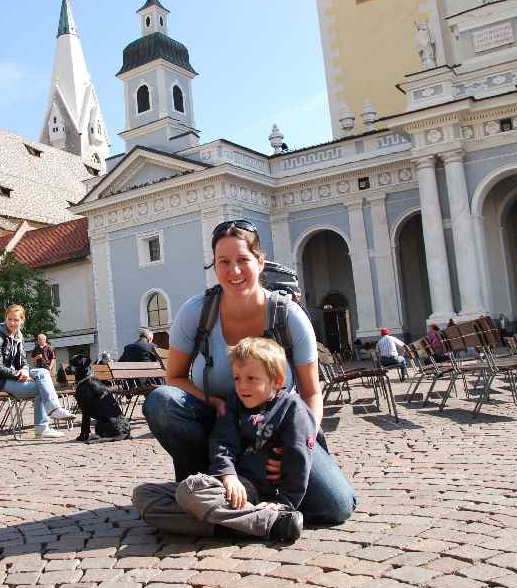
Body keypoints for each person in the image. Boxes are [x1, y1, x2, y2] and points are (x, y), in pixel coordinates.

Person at [142, 220, 355, 525]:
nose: (234, 271)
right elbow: (174, 377)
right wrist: (212, 401)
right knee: (161, 402)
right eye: (223, 262)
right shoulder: (196, 313)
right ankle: (204, 480)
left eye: (243, 260)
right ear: (214, 266)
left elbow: (311, 393)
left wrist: (293, 445)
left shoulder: (288, 316)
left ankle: (216, 504)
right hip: (219, 427)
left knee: (337, 506)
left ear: (260, 262)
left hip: (276, 430)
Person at [134, 337, 314, 541]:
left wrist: (284, 502)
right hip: (227, 485)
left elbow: (299, 459)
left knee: (190, 490)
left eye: (251, 379)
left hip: (255, 491)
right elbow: (222, 443)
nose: (242, 386)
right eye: (237, 378)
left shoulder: (292, 408)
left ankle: (257, 518)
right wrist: (228, 476)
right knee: (143, 495)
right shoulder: (234, 405)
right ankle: (264, 523)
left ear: (277, 381)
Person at [0, 304, 75, 438]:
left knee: (43, 373)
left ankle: (53, 411)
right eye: (9, 319)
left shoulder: (19, 336)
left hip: (12, 375)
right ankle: (44, 425)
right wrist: (18, 375)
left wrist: (25, 371)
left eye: (16, 320)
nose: (12, 323)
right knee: (41, 388)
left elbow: (22, 361)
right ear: (6, 318)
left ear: (22, 320)